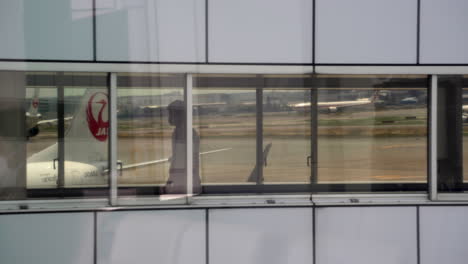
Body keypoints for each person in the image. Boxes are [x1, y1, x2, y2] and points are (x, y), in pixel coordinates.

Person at [164, 100, 201, 194]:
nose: (169, 117)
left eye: (171, 114)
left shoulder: (183, 133)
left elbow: (183, 160)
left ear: (180, 115)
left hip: (183, 180)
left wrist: (172, 180)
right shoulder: (180, 131)